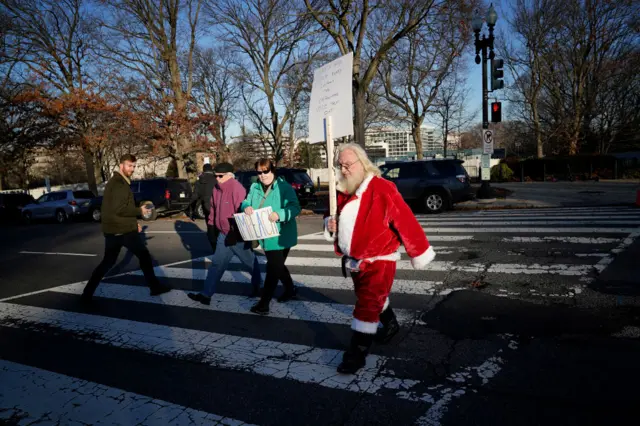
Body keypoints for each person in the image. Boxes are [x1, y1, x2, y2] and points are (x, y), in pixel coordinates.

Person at [324, 143, 435, 374]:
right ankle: (391, 323)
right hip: (355, 260)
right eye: (340, 165)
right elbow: (333, 217)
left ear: (362, 163)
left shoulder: (383, 188)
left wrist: (419, 251)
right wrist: (330, 224)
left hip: (381, 259)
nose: (344, 170)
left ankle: (357, 353)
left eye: (348, 165)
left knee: (366, 305)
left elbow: (406, 221)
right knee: (371, 298)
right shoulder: (342, 191)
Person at [82, 154, 171, 302]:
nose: (132, 169)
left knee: (108, 262)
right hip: (122, 231)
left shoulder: (118, 182)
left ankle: (87, 294)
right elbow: (120, 209)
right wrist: (139, 211)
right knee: (144, 256)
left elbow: (117, 208)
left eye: (134, 166)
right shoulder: (119, 183)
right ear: (121, 165)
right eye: (129, 166)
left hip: (115, 230)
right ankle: (155, 287)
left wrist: (133, 223)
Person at [187, 162, 262, 305]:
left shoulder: (236, 188)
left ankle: (259, 287)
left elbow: (242, 210)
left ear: (229, 175)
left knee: (250, 263)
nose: (217, 178)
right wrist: (211, 225)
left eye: (220, 176)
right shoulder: (216, 188)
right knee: (216, 264)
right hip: (223, 234)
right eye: (216, 176)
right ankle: (206, 295)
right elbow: (214, 209)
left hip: (237, 235)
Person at [242, 158, 301, 315]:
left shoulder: (284, 187)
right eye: (259, 172)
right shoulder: (254, 187)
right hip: (264, 234)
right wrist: (246, 207)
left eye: (265, 171)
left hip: (282, 235)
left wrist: (279, 214)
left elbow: (295, 207)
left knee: (273, 269)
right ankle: (290, 290)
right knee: (278, 266)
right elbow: (246, 201)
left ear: (272, 170)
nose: (262, 175)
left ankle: (264, 303)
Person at [191, 163, 219, 253]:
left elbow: (194, 196)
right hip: (218, 206)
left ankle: (214, 247)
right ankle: (221, 246)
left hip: (206, 207)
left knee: (210, 227)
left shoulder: (199, 181)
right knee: (220, 226)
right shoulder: (217, 179)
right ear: (212, 170)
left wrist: (191, 210)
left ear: (203, 170)